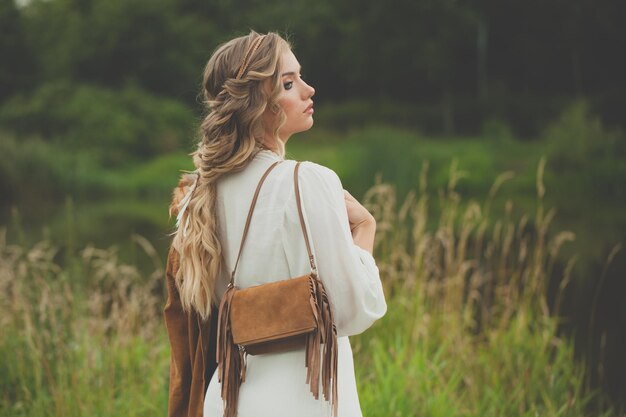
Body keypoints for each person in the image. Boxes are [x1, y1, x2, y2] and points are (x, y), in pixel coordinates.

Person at [164, 30, 387, 417]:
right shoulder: (305, 181)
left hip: (229, 400)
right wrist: (365, 229)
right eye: (289, 82)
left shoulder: (198, 196)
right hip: (302, 402)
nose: (308, 89)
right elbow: (354, 310)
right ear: (258, 103)